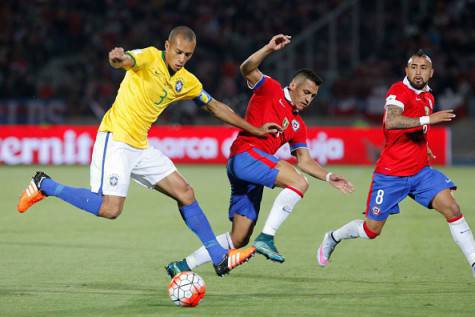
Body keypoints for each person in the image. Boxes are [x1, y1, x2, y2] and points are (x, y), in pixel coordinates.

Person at [17, 26, 281, 277]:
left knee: (186, 193)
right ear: (167, 46)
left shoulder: (186, 80)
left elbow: (215, 106)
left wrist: (255, 130)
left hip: (140, 145)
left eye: (188, 55)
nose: (181, 58)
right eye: (177, 52)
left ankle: (218, 257)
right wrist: (118, 58)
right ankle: (45, 185)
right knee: (110, 209)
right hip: (116, 138)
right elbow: (126, 61)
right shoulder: (149, 57)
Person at [165, 34, 354, 278]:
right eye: (306, 92)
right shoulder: (271, 88)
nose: (308, 99)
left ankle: (183, 266)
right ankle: (267, 237)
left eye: (313, 96)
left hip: (249, 170)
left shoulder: (298, 125)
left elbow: (304, 160)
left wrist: (328, 177)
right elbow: (247, 68)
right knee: (298, 182)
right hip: (246, 156)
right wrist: (268, 48)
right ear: (293, 86)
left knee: (239, 237)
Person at [317, 49, 475, 277]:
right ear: (406, 70)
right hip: (391, 174)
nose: (418, 72)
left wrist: (425, 143)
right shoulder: (398, 91)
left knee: (452, 208)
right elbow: (391, 121)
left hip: (421, 172)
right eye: (414, 67)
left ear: (431, 73)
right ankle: (333, 237)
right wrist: (428, 119)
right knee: (371, 230)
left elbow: (417, 127)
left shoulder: (429, 96)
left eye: (423, 68)